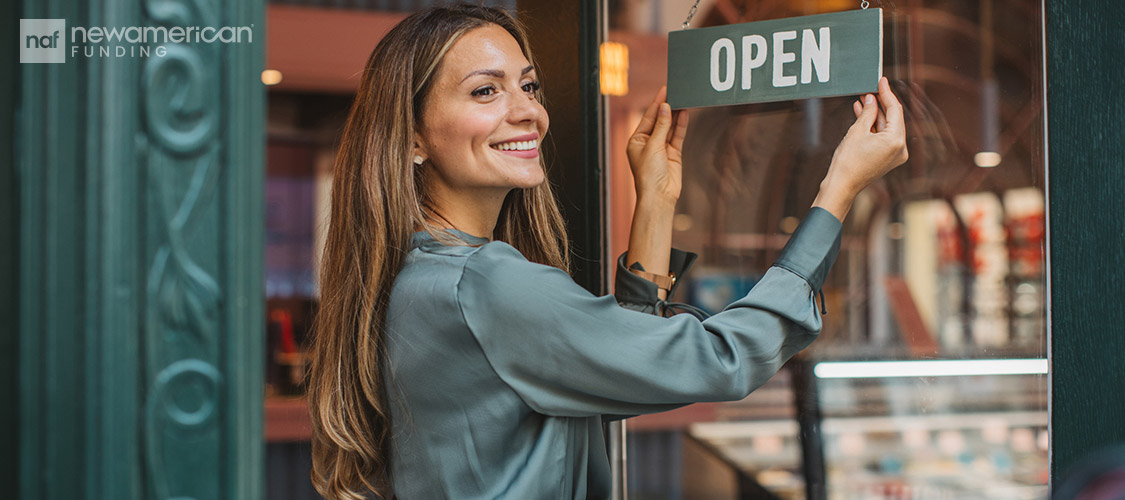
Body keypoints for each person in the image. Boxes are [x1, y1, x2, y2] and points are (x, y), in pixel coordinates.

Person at [306, 4, 908, 500]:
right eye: (486, 91)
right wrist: (838, 191)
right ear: (412, 136)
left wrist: (655, 201)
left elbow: (621, 367)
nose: (528, 111)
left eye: (529, 85)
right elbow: (722, 359)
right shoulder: (487, 284)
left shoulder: (421, 273)